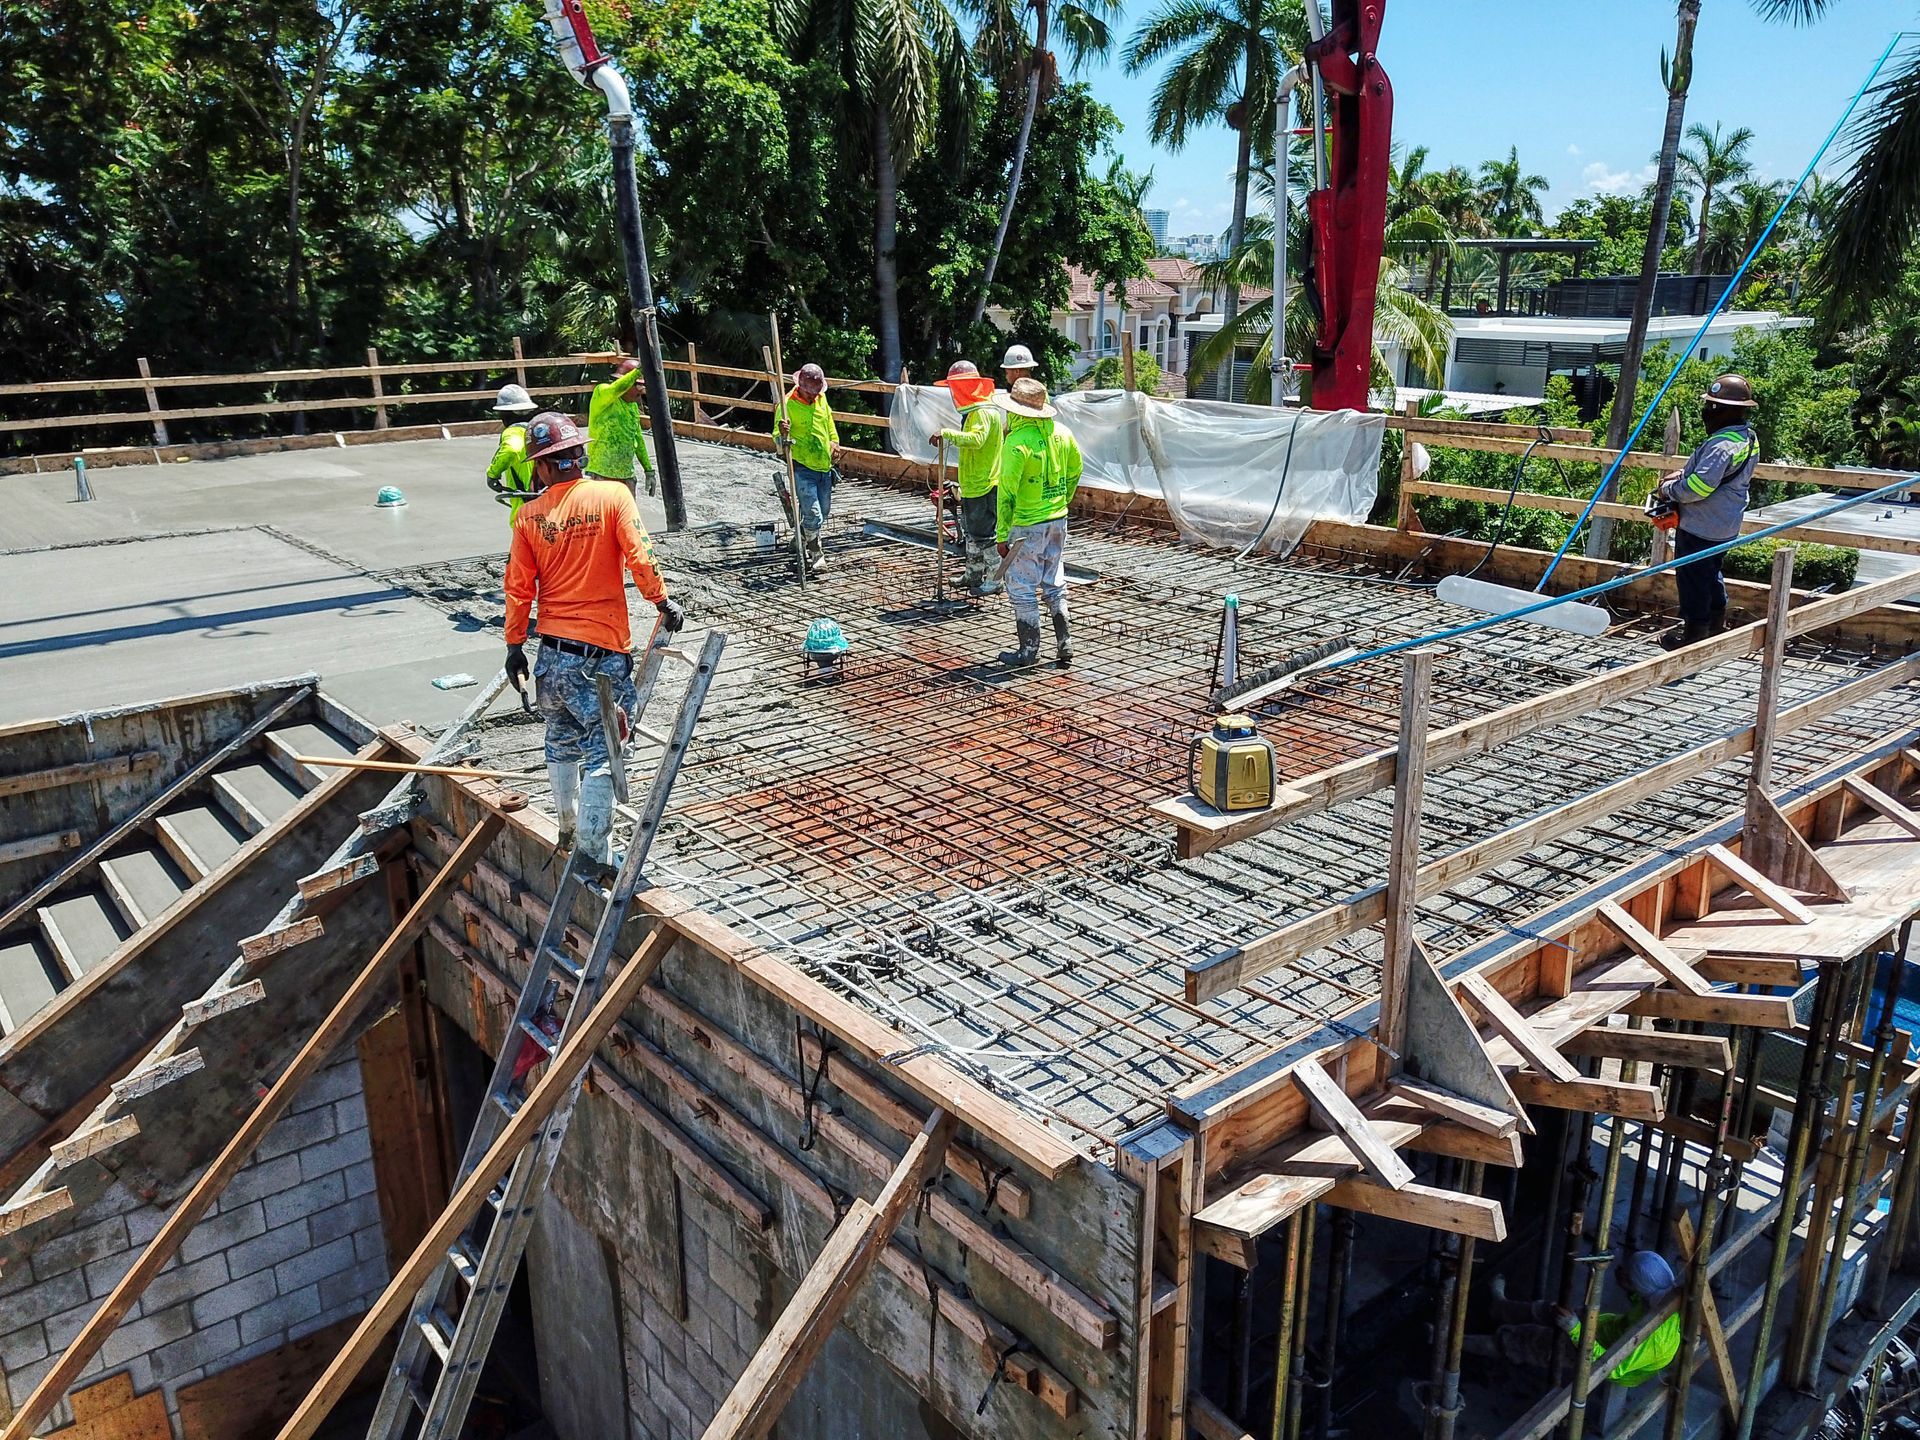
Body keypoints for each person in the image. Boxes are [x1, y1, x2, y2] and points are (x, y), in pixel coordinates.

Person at [503, 411, 683, 874]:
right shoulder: (612, 496)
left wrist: (514, 646)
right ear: (578, 455)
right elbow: (640, 556)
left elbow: (518, 588)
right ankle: (590, 849)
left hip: (551, 659)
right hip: (599, 659)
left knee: (561, 739)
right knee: (608, 748)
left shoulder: (528, 517)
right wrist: (661, 601)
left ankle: (566, 826)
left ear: (543, 466)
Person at [1653, 373, 1761, 650]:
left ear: (1720, 410)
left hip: (1702, 525)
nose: (1706, 412)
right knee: (1710, 574)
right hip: (1725, 524)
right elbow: (1716, 474)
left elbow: (1698, 488)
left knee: (1692, 579)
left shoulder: (1720, 446)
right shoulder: (1746, 437)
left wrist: (1668, 490)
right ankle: (1715, 623)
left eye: (1711, 406)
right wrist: (1683, 473)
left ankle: (1694, 634)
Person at [1469, 1251, 1682, 1390]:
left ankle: (1464, 1342)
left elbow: (1611, 1367)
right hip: (1609, 1329)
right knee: (1551, 1311)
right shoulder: (1663, 1295)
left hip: (1606, 1356)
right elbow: (1638, 1298)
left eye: (1627, 1276)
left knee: (1534, 1341)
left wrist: (1575, 1330)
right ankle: (1500, 1307)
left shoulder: (1656, 1340)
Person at [994, 378, 1083, 668]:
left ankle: (1028, 651)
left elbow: (1006, 493)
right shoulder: (1063, 433)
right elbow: (1076, 470)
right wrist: (1061, 501)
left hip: (1026, 524)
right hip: (1057, 520)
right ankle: (1065, 642)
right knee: (1053, 581)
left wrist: (1001, 535)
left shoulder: (1016, 443)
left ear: (1016, 411)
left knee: (1022, 586)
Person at [929, 360, 1004, 595]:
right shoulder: (977, 410)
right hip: (974, 482)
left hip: (984, 483)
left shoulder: (982, 412)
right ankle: (973, 573)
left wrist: (946, 433)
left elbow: (976, 439)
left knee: (985, 534)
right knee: (972, 532)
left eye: (955, 387)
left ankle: (995, 579)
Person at [778, 363, 840, 572]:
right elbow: (777, 441)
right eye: (810, 392)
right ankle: (816, 554)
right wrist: (782, 433)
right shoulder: (787, 405)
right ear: (801, 387)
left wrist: (834, 442)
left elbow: (829, 423)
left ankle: (801, 537)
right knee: (814, 514)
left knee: (824, 511)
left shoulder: (821, 399)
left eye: (816, 392)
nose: (814, 396)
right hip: (802, 467)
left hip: (823, 466)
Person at [586, 357, 658, 497]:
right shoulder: (602, 394)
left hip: (626, 477)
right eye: (637, 386)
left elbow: (637, 439)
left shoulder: (632, 407)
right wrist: (638, 371)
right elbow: (616, 388)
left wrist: (648, 470)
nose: (641, 392)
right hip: (600, 475)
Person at [484, 384, 540, 526]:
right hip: (547, 500)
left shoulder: (513, 432)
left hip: (526, 504)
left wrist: (493, 474)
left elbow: (511, 449)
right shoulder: (539, 430)